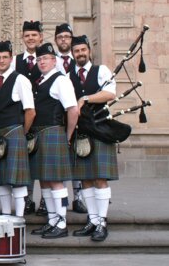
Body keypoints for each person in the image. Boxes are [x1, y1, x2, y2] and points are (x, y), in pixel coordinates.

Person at [69, 35, 117, 242]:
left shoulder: (102, 71)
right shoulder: (67, 74)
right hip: (81, 131)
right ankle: (93, 219)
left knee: (100, 178)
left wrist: (85, 98)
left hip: (100, 129)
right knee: (86, 179)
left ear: (89, 51)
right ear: (72, 54)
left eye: (82, 50)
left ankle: (102, 222)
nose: (80, 54)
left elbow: (110, 94)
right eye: (76, 51)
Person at [29, 43, 78, 239]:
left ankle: (62, 222)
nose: (42, 62)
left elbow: (73, 110)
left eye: (46, 59)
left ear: (54, 60)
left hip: (53, 133)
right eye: (39, 59)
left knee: (57, 182)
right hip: (42, 134)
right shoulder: (42, 81)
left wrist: (67, 135)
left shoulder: (61, 80)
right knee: (46, 181)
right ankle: (52, 220)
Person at [0, 41, 35, 217]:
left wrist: (21, 133)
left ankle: (19, 217)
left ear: (11, 59)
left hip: (15, 132)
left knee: (18, 179)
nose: (1, 61)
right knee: (1, 179)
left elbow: (30, 111)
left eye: (5, 57)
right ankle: (6, 215)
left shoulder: (20, 79)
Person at [54, 23, 87, 214]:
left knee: (78, 158)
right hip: (58, 118)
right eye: (60, 37)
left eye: (67, 36)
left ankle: (79, 197)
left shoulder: (80, 60)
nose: (64, 40)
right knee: (57, 162)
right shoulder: (52, 61)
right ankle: (58, 201)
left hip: (79, 116)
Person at [12, 20, 44, 214]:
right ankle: (29, 199)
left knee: (43, 161)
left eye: (34, 35)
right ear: (22, 38)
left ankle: (46, 202)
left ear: (40, 37)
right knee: (26, 160)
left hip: (45, 116)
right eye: (27, 35)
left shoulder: (49, 58)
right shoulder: (15, 61)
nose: (31, 38)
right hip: (22, 116)